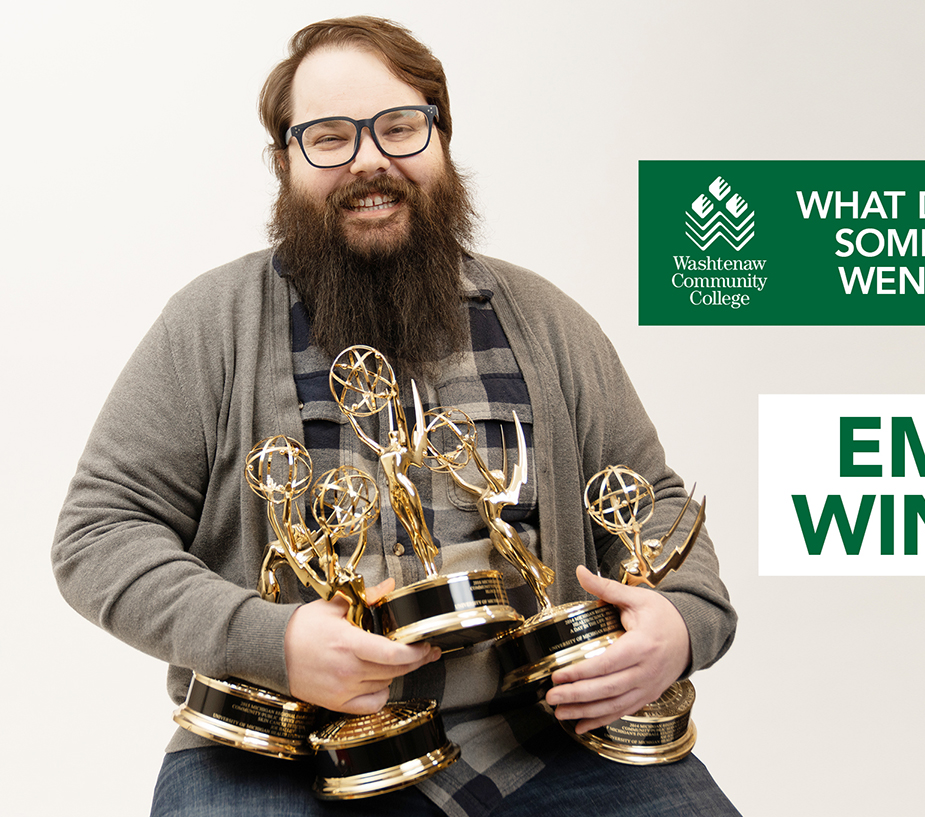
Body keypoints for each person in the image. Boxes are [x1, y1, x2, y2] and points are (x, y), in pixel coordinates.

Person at [52, 16, 738, 816]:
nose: (371, 159)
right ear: (285, 161)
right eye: (330, 137)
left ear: (442, 138)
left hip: (544, 739)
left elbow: (650, 498)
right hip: (282, 745)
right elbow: (98, 533)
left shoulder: (549, 322)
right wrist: (268, 642)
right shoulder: (211, 324)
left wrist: (683, 626)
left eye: (400, 127)